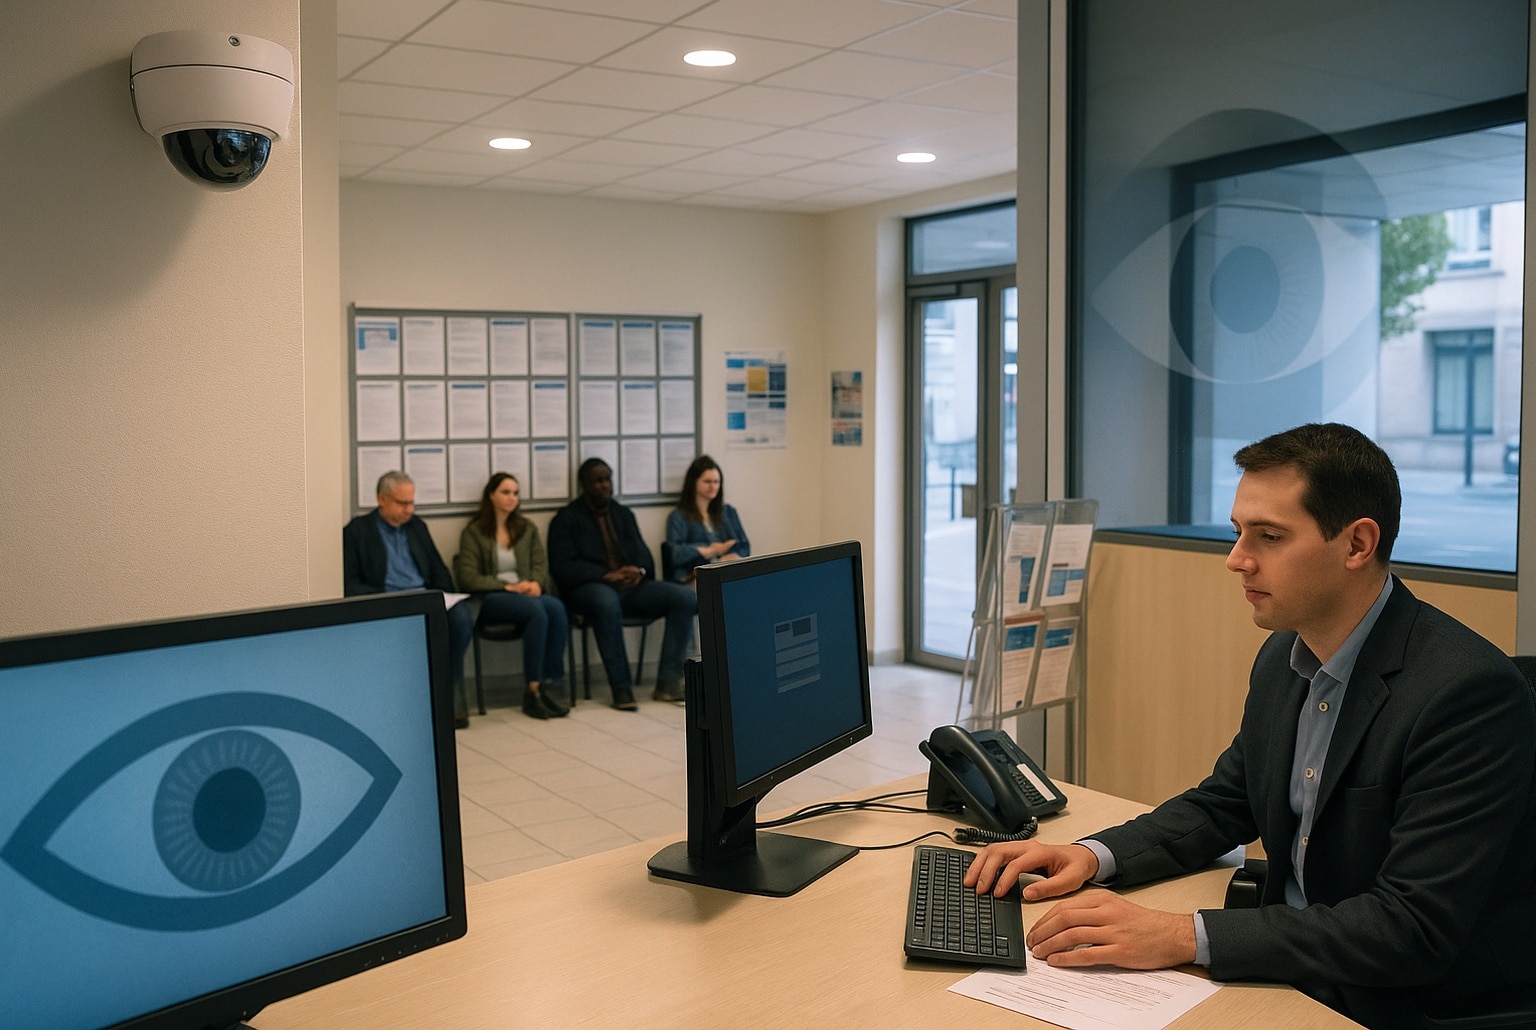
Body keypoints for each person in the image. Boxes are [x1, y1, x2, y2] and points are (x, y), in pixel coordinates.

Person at [964, 423, 1536, 1029]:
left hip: (1393, 999)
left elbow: (1409, 928)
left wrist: (1181, 935)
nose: (1237, 559)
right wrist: (1090, 854)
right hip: (1293, 965)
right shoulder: (1285, 657)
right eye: (1239, 532)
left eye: (1269, 536)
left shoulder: (1465, 695)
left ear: (1357, 544)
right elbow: (1225, 802)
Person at [547, 458, 697, 710]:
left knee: (685, 597)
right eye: (597, 481)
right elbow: (563, 568)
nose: (604, 485)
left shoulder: (622, 514)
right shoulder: (566, 519)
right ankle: (621, 687)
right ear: (584, 484)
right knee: (605, 600)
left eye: (607, 479)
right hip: (589, 590)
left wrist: (638, 571)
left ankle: (668, 681)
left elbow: (646, 558)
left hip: (631, 589)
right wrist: (606, 575)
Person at [343, 470, 475, 729]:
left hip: (422, 598)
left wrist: (443, 595)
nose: (409, 510)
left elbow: (438, 569)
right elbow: (351, 582)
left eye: (412, 503)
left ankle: (450, 699)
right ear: (382, 499)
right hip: (386, 602)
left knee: (460, 617)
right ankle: (400, 705)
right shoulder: (358, 531)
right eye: (402, 503)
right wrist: (382, 599)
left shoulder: (417, 527)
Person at [454, 472, 570, 721]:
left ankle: (551, 682)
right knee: (536, 611)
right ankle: (532, 690)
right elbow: (468, 577)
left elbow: (540, 563)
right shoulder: (474, 532)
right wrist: (507, 587)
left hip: (526, 593)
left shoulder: (527, 529)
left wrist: (536, 583)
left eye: (516, 493)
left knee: (556, 608)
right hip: (492, 597)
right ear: (491, 496)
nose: (512, 498)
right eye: (505, 492)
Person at [664, 454, 750, 584]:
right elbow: (675, 554)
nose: (713, 486)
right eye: (707, 482)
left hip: (728, 575)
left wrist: (731, 558)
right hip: (695, 579)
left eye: (716, 482)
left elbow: (744, 547)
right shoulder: (678, 516)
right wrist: (710, 550)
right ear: (694, 482)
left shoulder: (728, 512)